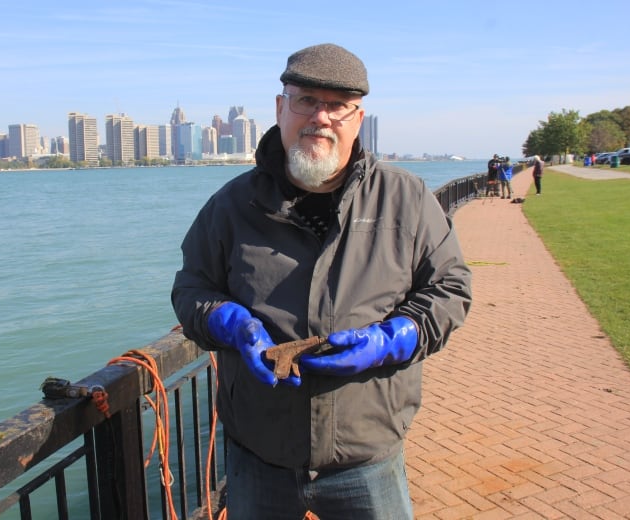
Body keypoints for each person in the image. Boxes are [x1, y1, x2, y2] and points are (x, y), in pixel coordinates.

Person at [172, 43, 472, 520]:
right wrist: (227, 321)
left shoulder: (406, 198)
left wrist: (397, 337)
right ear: (280, 108)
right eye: (306, 100)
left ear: (358, 118)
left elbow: (450, 289)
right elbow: (191, 291)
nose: (321, 117)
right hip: (258, 452)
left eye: (337, 105)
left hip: (367, 453)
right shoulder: (230, 206)